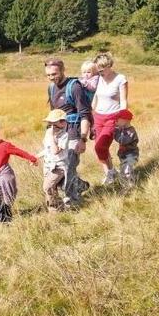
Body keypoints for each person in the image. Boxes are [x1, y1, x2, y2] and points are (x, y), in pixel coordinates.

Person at [44, 58, 91, 207]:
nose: (52, 77)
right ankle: (79, 185)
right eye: (49, 75)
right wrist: (50, 136)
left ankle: (73, 204)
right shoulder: (51, 88)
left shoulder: (74, 87)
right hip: (57, 133)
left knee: (68, 167)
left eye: (54, 74)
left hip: (73, 132)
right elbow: (53, 114)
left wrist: (83, 139)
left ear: (63, 70)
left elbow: (85, 114)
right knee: (58, 168)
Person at [0, 121, 38, 222]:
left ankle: (5, 219)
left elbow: (19, 152)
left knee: (5, 196)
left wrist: (32, 158)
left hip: (4, 176)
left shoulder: (5, 145)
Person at [91, 52, 129, 185]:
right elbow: (95, 94)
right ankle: (109, 173)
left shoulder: (120, 79)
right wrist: (91, 111)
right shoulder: (98, 78)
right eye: (98, 69)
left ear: (109, 66)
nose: (99, 71)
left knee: (100, 147)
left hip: (113, 117)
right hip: (98, 117)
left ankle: (111, 171)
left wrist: (124, 118)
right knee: (99, 147)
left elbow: (124, 101)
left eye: (102, 68)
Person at [37, 109, 71, 212]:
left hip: (58, 167)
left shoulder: (64, 136)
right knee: (52, 188)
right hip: (48, 166)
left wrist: (52, 136)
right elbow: (48, 150)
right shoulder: (48, 133)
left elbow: (55, 151)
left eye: (54, 125)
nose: (51, 128)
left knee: (47, 187)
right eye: (49, 125)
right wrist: (36, 156)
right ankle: (59, 207)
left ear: (63, 123)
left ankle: (54, 209)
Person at [114, 109, 139, 187]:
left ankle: (131, 185)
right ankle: (125, 185)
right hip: (123, 155)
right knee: (123, 170)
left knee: (127, 170)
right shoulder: (122, 129)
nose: (116, 121)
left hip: (131, 154)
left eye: (118, 120)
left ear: (125, 120)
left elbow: (123, 141)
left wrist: (114, 133)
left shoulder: (131, 131)